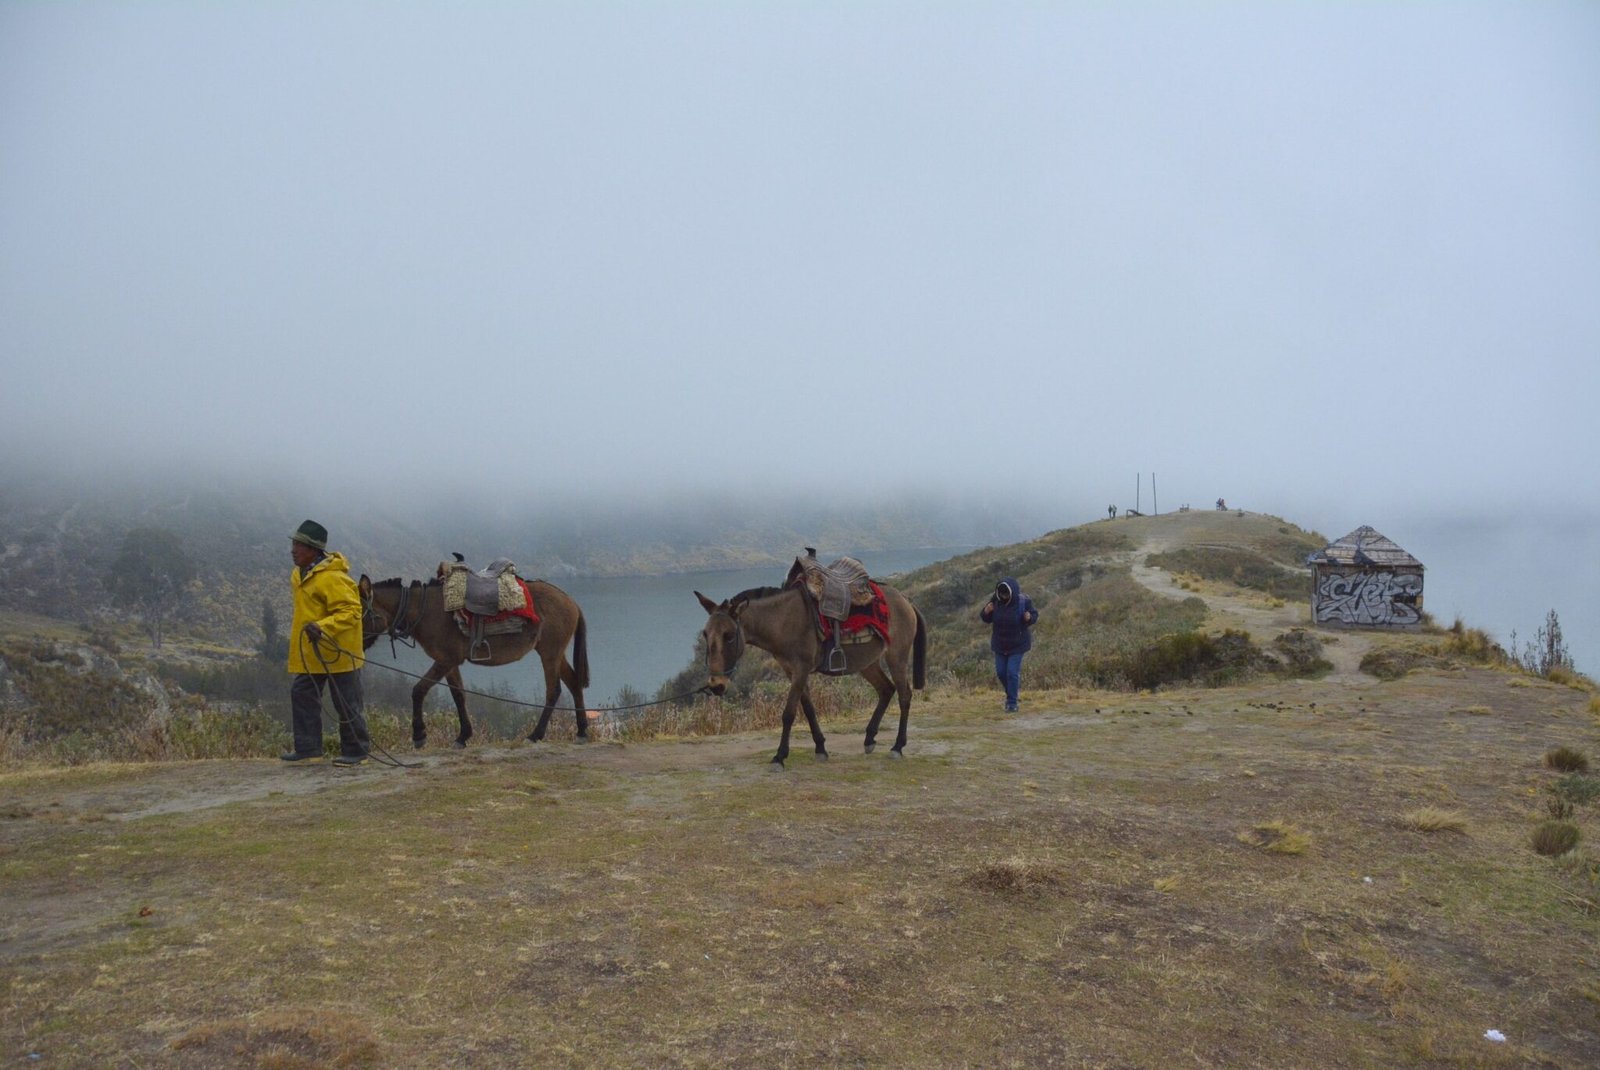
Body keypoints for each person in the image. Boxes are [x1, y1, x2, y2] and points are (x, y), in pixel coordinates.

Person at [281, 519, 371, 766]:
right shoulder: (298, 575)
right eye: (293, 544)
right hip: (313, 652)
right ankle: (308, 750)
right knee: (302, 693)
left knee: (346, 703)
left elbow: (352, 611)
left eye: (298, 545)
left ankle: (357, 752)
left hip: (339, 652)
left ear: (313, 550)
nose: (293, 550)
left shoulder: (334, 578)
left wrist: (322, 626)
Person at [980, 578, 1037, 713]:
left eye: (1006, 594)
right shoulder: (995, 601)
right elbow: (986, 618)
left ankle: (1012, 703)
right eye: (1002, 594)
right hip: (1000, 644)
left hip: (1018, 644)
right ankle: (1012, 693)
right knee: (1001, 672)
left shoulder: (1023, 601)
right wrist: (986, 611)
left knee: (1011, 672)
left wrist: (1029, 617)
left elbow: (1034, 615)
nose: (1004, 597)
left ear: (1012, 592)